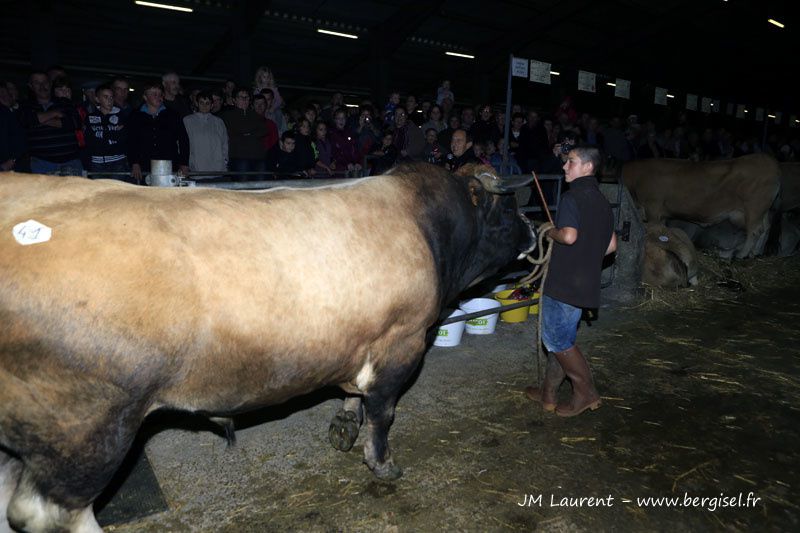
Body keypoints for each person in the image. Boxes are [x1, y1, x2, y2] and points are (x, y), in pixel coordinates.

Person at [524, 144, 616, 418]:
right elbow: (611, 246)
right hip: (585, 281)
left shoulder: (572, 197)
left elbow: (569, 236)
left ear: (588, 167)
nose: (565, 167)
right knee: (561, 339)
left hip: (565, 282)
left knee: (558, 341)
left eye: (571, 162)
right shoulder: (602, 201)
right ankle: (548, 394)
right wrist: (587, 258)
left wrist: (549, 230)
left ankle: (586, 393)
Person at [18, 71, 83, 176]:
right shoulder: (25, 106)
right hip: (41, 164)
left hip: (71, 162)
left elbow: (75, 123)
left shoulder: (64, 102)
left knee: (75, 193)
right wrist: (55, 113)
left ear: (50, 83)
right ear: (30, 86)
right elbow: (26, 121)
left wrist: (40, 119)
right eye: (37, 83)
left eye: (45, 82)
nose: (42, 86)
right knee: (45, 193)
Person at [127, 80, 190, 184]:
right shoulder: (135, 116)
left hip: (170, 166)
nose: (158, 96)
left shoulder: (173, 115)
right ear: (145, 97)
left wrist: (184, 163)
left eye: (160, 94)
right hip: (144, 167)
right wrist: (134, 163)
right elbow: (131, 141)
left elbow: (184, 139)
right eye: (154, 94)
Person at [84, 83, 131, 181]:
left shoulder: (121, 116)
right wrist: (112, 133)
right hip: (97, 163)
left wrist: (100, 134)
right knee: (99, 194)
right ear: (97, 99)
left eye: (111, 97)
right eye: (105, 97)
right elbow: (89, 139)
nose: (110, 100)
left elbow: (123, 137)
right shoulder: (90, 117)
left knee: (117, 193)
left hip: (118, 162)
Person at [220, 88, 268, 178]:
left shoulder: (256, 115)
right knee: (242, 188)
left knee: (261, 188)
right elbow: (235, 131)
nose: (244, 99)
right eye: (241, 97)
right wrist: (250, 132)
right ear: (234, 100)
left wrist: (246, 133)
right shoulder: (227, 115)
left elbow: (264, 130)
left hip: (259, 157)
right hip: (239, 157)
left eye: (246, 97)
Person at [183, 90, 228, 175]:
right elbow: (182, 144)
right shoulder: (187, 121)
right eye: (202, 102)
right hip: (196, 167)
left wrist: (225, 161)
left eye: (207, 103)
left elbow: (225, 143)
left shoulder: (219, 122)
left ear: (211, 105)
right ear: (197, 104)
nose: (204, 106)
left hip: (217, 167)